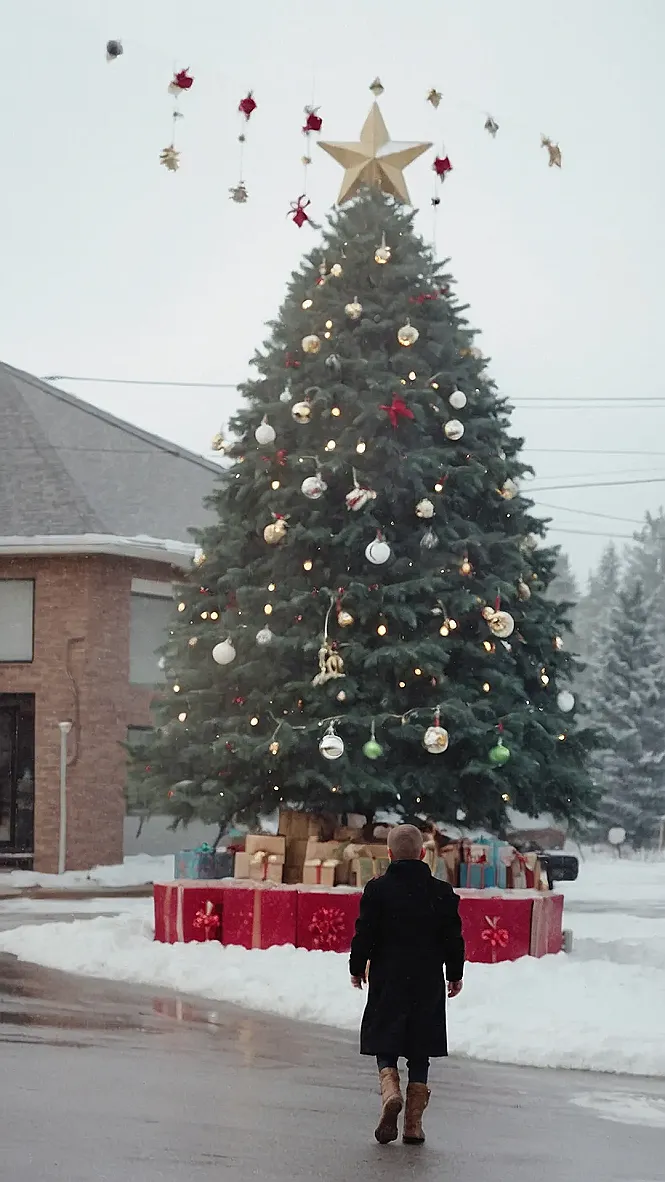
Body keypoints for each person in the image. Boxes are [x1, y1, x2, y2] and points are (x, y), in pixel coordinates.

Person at [349, 823, 465, 1146]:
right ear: (423, 853)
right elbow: (454, 939)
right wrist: (455, 974)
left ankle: (390, 1093)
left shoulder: (377, 890)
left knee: (385, 1040)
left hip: (388, 977)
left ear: (389, 854)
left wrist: (356, 968)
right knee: (420, 1047)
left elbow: (364, 933)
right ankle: (413, 1125)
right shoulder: (441, 893)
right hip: (427, 980)